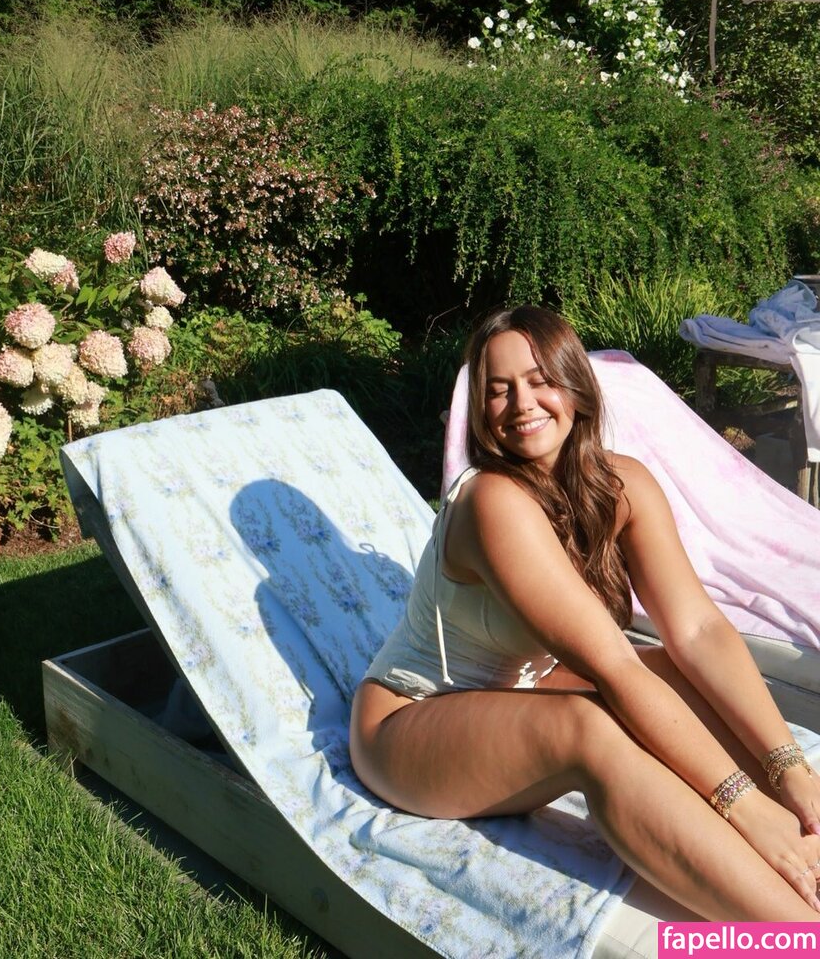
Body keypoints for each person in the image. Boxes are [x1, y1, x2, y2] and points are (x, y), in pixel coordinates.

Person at [350, 305, 820, 922]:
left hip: (517, 690)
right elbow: (612, 668)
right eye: (498, 389)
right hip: (411, 721)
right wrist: (744, 806)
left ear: (575, 385)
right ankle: (794, 934)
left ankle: (805, 850)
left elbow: (700, 630)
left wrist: (791, 771)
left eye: (540, 380)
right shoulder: (492, 502)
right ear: (480, 410)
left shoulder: (622, 484)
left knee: (673, 672)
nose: (522, 404)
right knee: (589, 729)